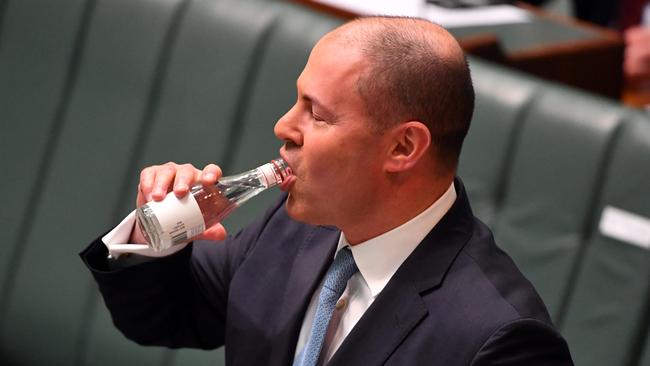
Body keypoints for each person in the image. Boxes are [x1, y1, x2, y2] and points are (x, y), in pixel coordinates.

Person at [81, 16, 573, 365]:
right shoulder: (294, 229)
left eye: (316, 114)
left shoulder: (500, 339)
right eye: (296, 101)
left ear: (403, 146)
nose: (282, 126)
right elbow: (165, 318)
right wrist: (154, 233)